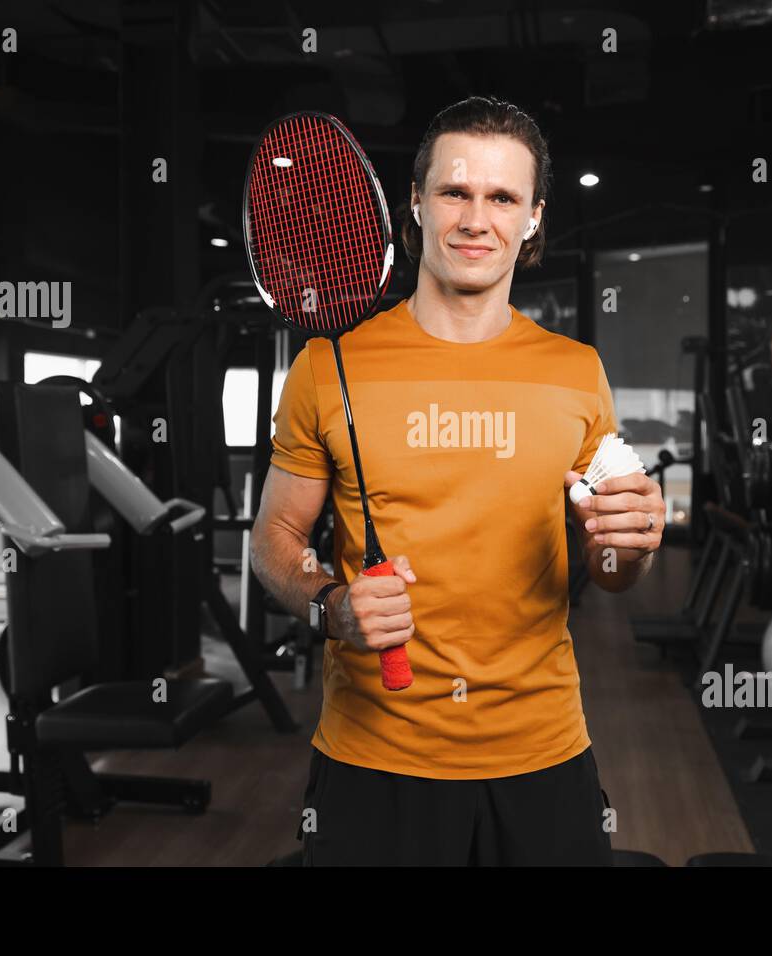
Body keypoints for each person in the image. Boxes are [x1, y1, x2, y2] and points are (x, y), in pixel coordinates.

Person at [250, 96, 665, 866]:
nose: (478, 219)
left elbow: (610, 575)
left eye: (503, 196)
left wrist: (632, 543)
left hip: (542, 751)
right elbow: (273, 540)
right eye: (455, 192)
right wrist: (329, 604)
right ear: (415, 202)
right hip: (376, 759)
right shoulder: (327, 367)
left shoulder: (578, 373)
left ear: (533, 217)